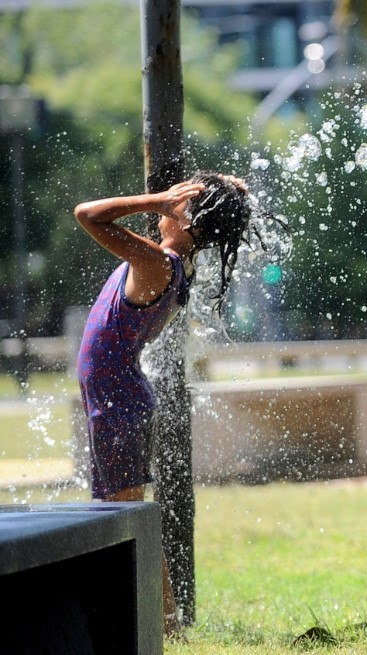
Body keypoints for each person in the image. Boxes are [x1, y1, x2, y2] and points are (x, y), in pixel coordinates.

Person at [75, 171, 253, 634]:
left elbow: (87, 215)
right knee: (126, 517)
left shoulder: (157, 264)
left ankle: (161, 629)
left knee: (126, 521)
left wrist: (155, 199)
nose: (164, 213)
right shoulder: (173, 265)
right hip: (121, 399)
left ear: (190, 221)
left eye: (177, 207)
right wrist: (218, 195)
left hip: (118, 402)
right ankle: (166, 627)